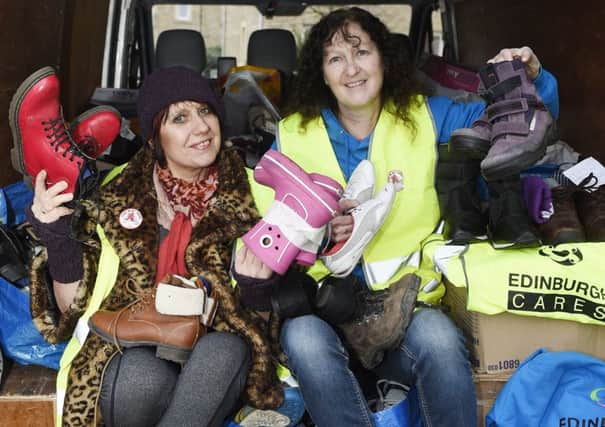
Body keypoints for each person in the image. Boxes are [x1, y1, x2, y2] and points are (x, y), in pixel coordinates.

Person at [238, 7, 559, 427]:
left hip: (408, 307)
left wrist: (534, 75)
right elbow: (272, 230)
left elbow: (519, 123)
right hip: (326, 312)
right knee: (301, 338)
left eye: (362, 53)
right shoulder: (292, 133)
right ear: (322, 72)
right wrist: (319, 234)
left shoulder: (431, 116)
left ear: (384, 60)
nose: (352, 69)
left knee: (441, 340)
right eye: (336, 58)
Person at [26, 66, 283, 426]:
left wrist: (258, 288)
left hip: (220, 350)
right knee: (141, 376)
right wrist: (56, 235)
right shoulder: (113, 194)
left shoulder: (258, 195)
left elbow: (267, 324)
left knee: (222, 350)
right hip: (130, 344)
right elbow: (73, 309)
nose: (201, 127)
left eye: (205, 111)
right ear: (153, 138)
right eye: (180, 118)